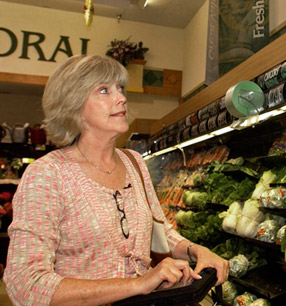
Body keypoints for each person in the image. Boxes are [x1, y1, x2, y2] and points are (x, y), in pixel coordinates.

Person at [3, 54, 229, 305]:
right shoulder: (48, 174)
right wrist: (136, 284)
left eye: (120, 88)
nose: (121, 98)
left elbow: (159, 232)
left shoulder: (134, 162)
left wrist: (197, 251)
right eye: (103, 90)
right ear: (73, 105)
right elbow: (25, 283)